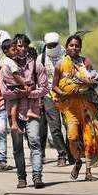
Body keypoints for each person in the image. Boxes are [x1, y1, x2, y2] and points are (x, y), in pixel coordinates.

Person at [52, 34, 98, 181]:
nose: (74, 48)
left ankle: (88, 172)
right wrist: (65, 93)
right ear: (66, 47)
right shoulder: (60, 65)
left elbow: (94, 78)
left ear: (80, 48)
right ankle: (78, 161)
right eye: (71, 45)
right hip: (70, 107)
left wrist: (89, 82)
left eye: (77, 46)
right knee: (72, 137)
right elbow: (54, 86)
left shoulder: (85, 62)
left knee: (89, 137)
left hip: (86, 105)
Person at [0, 34, 49, 189]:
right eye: (17, 46)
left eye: (23, 46)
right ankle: (21, 177)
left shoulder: (36, 65)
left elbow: (44, 88)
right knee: (17, 147)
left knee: (35, 142)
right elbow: (4, 92)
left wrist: (30, 93)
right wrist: (20, 93)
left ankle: (37, 176)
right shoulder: (6, 66)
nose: (20, 49)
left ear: (28, 47)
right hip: (15, 114)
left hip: (32, 110)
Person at [37, 32, 75, 166]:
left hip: (66, 96)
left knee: (70, 125)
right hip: (49, 96)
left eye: (54, 45)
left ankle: (72, 153)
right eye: (50, 45)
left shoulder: (66, 55)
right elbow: (38, 79)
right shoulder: (40, 58)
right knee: (55, 128)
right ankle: (62, 155)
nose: (52, 47)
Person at [1, 39, 37, 133]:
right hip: (14, 86)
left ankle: (16, 122)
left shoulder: (5, 60)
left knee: (15, 105)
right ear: (6, 51)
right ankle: (14, 124)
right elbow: (16, 76)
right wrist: (24, 84)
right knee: (14, 106)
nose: (16, 51)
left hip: (11, 86)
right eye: (14, 49)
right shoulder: (11, 62)